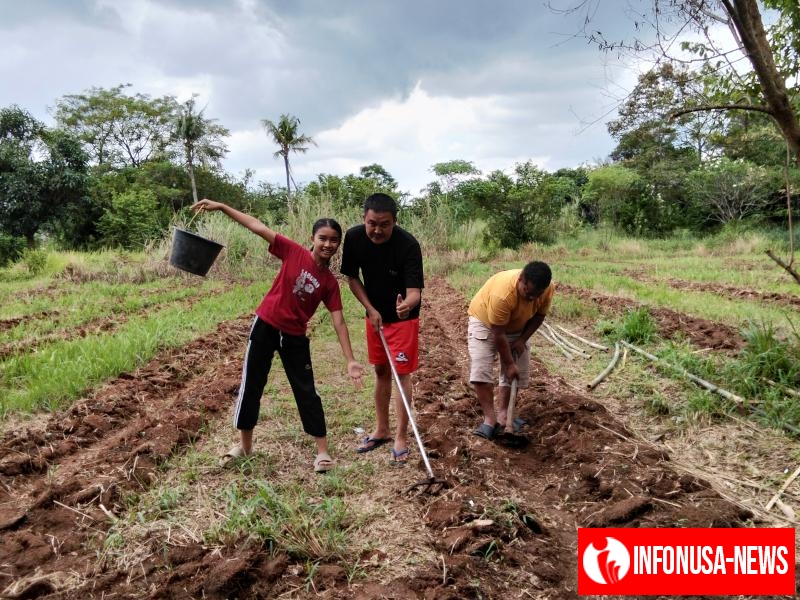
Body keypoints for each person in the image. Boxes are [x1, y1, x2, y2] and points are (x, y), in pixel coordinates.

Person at [190, 199, 364, 473]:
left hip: (294, 336)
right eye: (323, 239)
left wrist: (351, 360)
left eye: (334, 241)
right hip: (266, 326)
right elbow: (256, 225)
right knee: (252, 385)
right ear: (312, 238)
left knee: (306, 390)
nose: (328, 245)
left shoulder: (330, 283)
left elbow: (339, 321)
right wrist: (223, 207)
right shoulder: (293, 251)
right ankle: (245, 446)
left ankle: (322, 451)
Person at [340, 193, 424, 464]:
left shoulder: (408, 245)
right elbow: (352, 278)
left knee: (401, 374)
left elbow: (415, 293)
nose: (377, 230)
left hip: (403, 319)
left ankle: (401, 435)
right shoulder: (353, 238)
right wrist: (371, 308)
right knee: (380, 370)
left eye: (384, 224)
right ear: (364, 219)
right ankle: (382, 429)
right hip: (374, 315)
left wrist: (406, 306)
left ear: (395, 222)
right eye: (372, 223)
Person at [467, 261, 553, 439]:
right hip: (485, 322)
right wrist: (509, 363)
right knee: (481, 369)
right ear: (521, 279)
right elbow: (498, 333)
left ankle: (504, 415)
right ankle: (490, 420)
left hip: (517, 327)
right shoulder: (503, 294)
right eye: (527, 293)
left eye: (536, 295)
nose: (532, 299)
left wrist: (522, 339)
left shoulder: (547, 289)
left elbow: (539, 316)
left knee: (515, 372)